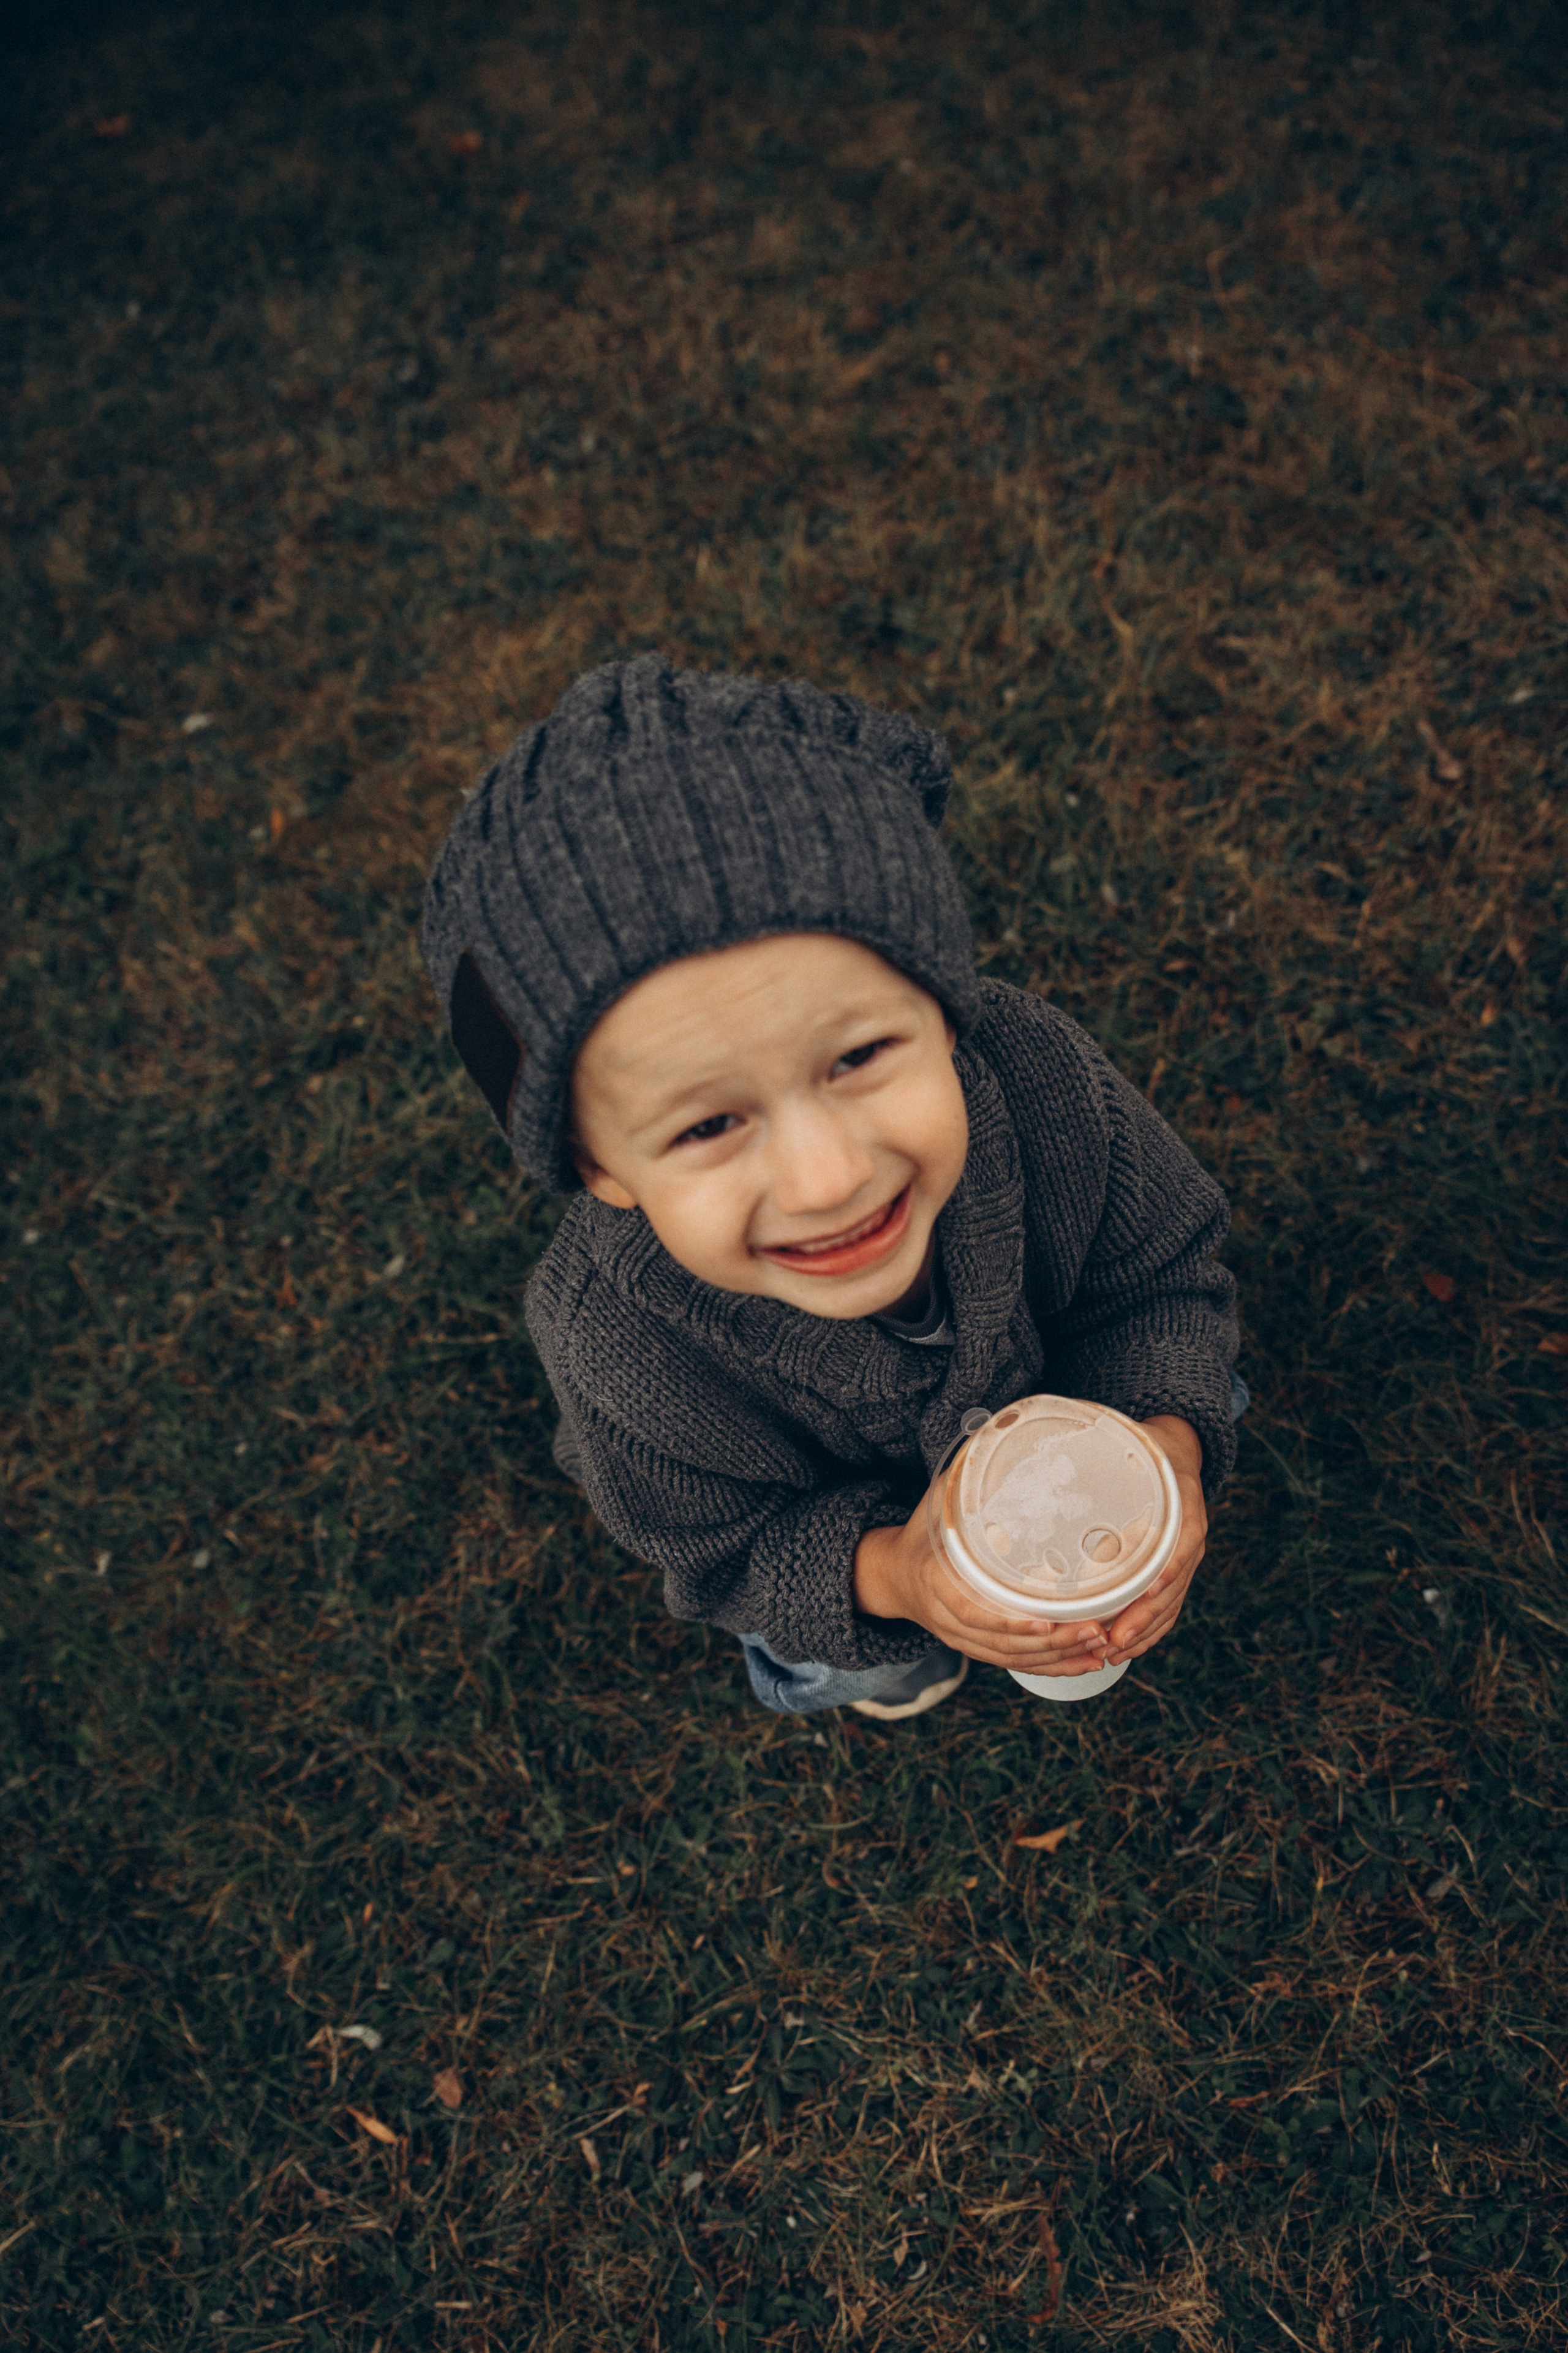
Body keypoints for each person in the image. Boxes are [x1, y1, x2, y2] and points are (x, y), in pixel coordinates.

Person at [421, 654, 1240, 1721]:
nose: (830, 1177)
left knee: (1208, 1391)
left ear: (942, 1007)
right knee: (849, 1651)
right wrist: (903, 1578)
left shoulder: (1041, 1080)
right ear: (600, 1168)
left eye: (857, 1057)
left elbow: (1163, 1279)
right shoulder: (615, 1341)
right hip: (849, 1553)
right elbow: (722, 1549)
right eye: (710, 1124)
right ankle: (878, 1663)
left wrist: (1167, 1447)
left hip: (1075, 1438)